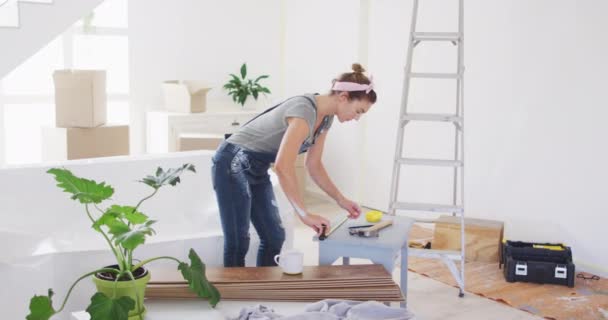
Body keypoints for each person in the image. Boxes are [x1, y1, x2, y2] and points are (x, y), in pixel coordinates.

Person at [212, 63, 378, 267]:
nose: (357, 118)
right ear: (343, 97)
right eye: (358, 110)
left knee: (274, 237)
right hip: (232, 162)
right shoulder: (304, 110)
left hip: (257, 167)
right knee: (238, 241)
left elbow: (314, 165)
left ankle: (264, 289)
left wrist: (341, 200)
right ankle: (233, 295)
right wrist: (304, 214)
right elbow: (283, 166)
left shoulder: (326, 119)